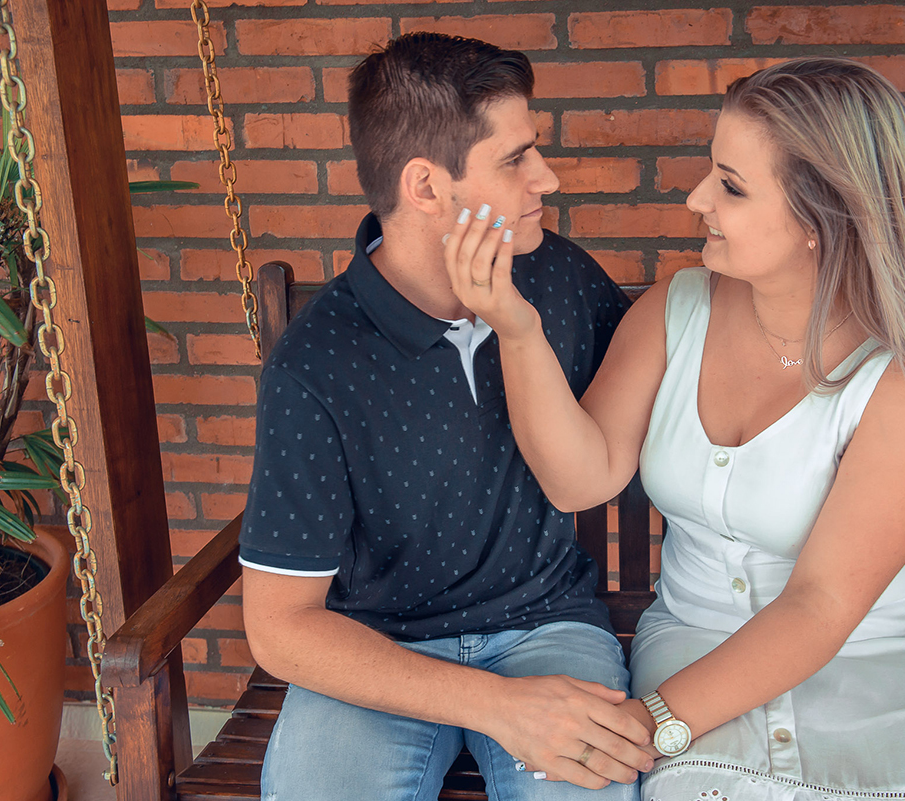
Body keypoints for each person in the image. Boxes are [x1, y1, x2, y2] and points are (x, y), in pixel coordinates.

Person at [447, 57, 905, 801]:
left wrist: (652, 722)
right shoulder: (679, 308)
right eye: (711, 171)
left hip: (885, 660)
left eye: (731, 185)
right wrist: (514, 327)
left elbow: (821, 605)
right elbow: (579, 477)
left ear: (823, 221)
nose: (697, 198)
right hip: (698, 644)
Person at [238, 32, 654, 800]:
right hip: (377, 652)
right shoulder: (316, 360)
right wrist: (500, 706)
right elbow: (280, 626)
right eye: (515, 158)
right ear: (427, 186)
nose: (547, 178)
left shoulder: (559, 278)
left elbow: (639, 419)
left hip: (547, 626)